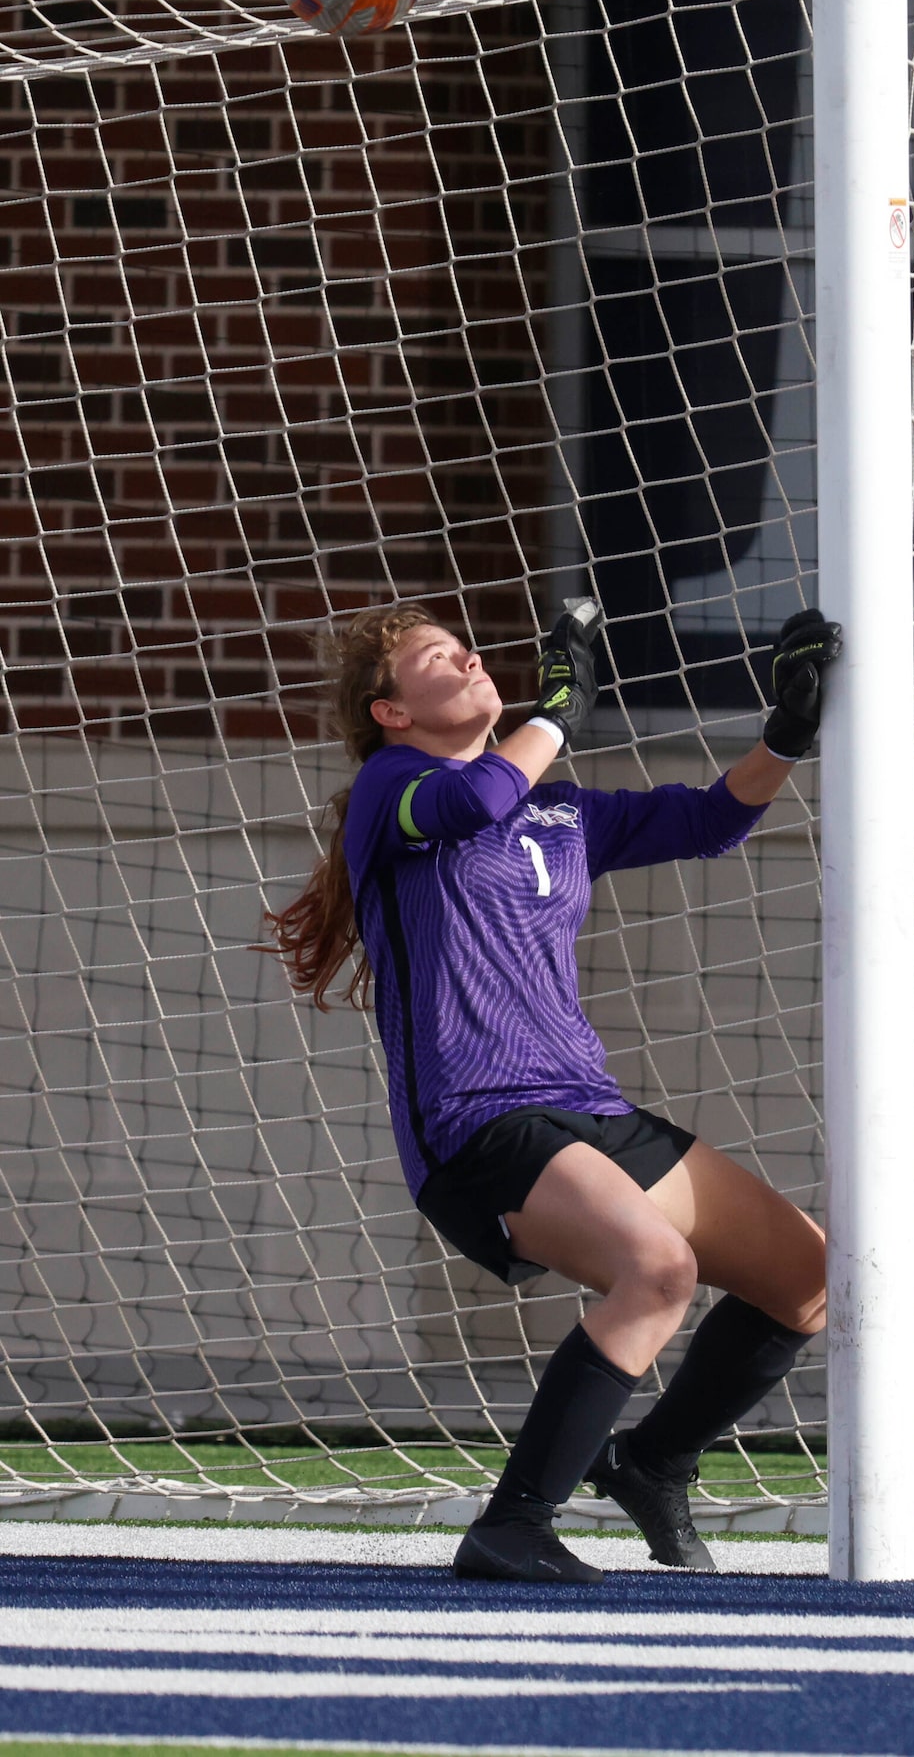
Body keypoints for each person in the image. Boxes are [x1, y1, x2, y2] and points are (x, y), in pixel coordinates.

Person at [265, 597, 843, 1584]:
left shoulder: (561, 809)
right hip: (477, 1123)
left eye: (468, 646)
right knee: (656, 1267)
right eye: (437, 658)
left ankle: (653, 1465)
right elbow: (471, 803)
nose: (468, 659)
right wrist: (557, 717)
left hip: (585, 1107)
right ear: (392, 711)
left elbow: (711, 820)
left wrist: (786, 732)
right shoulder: (392, 788)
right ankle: (513, 1526)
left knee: (806, 1280)